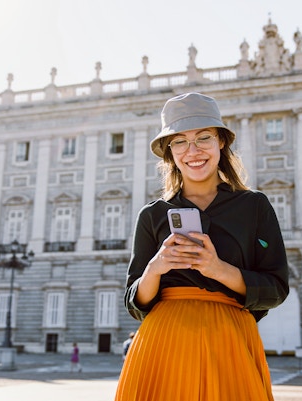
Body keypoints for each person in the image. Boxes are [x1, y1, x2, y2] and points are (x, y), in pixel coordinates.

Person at [115, 92, 289, 401]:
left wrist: (220, 270)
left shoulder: (254, 206)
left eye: (203, 138)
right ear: (170, 152)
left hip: (230, 342)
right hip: (162, 343)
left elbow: (276, 287)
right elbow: (134, 301)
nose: (192, 151)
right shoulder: (152, 214)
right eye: (179, 141)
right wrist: (155, 268)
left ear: (221, 141)